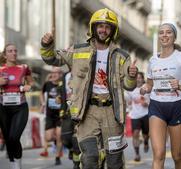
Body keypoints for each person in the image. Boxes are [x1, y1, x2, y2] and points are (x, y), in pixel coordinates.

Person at [40, 8, 138, 169]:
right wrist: (46, 45)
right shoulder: (78, 50)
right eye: (100, 26)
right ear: (93, 28)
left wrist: (132, 76)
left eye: (107, 27)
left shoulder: (122, 56)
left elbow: (128, 86)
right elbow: (52, 60)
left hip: (112, 114)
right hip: (87, 112)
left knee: (114, 162)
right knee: (90, 157)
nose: (103, 30)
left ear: (112, 31)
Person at [140, 23, 181, 169]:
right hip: (157, 106)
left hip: (178, 106)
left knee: (177, 155)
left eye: (168, 32)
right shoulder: (153, 60)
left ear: (174, 37)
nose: (164, 35)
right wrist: (145, 88)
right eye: (161, 33)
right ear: (158, 36)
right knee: (158, 154)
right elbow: (150, 85)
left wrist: (180, 86)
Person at [0, 43, 34, 169]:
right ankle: (12, 163)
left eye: (15, 50)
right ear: (5, 55)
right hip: (3, 108)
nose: (13, 53)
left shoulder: (24, 67)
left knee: (14, 137)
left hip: (20, 107)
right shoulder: (0, 70)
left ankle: (17, 164)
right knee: (8, 138)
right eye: (10, 51)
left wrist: (28, 87)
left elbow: (31, 82)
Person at [39, 67, 63, 165]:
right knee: (48, 138)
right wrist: (43, 103)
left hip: (60, 115)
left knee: (59, 136)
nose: (53, 74)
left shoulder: (63, 85)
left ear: (60, 74)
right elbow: (41, 93)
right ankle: (56, 142)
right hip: (50, 115)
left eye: (56, 73)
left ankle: (57, 157)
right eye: (52, 72)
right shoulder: (47, 84)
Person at [126, 72, 150, 162]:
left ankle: (146, 142)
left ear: (143, 79)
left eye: (140, 78)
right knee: (135, 134)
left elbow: (151, 101)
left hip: (145, 114)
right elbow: (127, 100)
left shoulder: (147, 88)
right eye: (136, 78)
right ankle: (137, 154)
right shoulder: (130, 89)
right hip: (135, 115)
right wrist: (128, 103)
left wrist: (146, 103)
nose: (138, 79)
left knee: (146, 134)